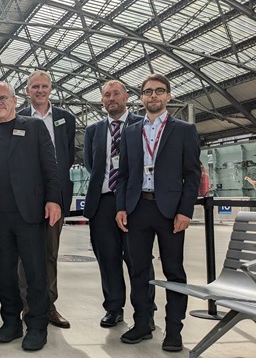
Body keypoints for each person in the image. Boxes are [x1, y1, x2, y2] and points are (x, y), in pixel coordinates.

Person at [116, 73, 201, 352]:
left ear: (168, 96)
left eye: (159, 91)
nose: (153, 96)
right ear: (141, 98)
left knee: (174, 270)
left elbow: (191, 174)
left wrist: (185, 211)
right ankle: (142, 323)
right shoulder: (130, 131)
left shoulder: (184, 130)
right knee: (138, 269)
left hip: (169, 210)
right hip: (138, 207)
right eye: (148, 91)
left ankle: (174, 330)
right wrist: (121, 207)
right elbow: (125, 174)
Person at [0, 81, 61, 351]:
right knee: (5, 273)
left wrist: (53, 199)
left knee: (35, 272)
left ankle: (37, 324)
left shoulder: (33, 127)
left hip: (30, 213)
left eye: (3, 98)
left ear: (13, 101)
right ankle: (11, 321)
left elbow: (51, 166)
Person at [83, 80, 145, 327]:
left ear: (127, 96)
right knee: (107, 259)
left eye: (116, 93)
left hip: (135, 202)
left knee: (138, 259)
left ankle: (144, 311)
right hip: (103, 203)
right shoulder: (93, 130)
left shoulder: (142, 124)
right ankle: (113, 308)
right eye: (106, 95)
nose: (111, 98)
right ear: (102, 100)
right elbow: (91, 164)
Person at [17, 70, 75, 329]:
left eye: (44, 86)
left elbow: (67, 158)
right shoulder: (17, 117)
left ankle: (49, 305)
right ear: (27, 91)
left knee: (50, 253)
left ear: (51, 89)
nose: (40, 90)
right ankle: (27, 306)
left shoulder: (65, 119)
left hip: (55, 198)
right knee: (24, 255)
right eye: (34, 86)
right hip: (25, 199)